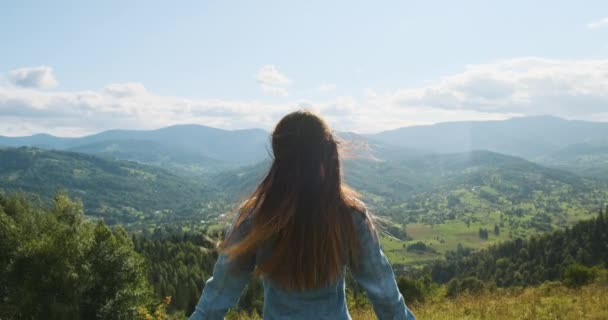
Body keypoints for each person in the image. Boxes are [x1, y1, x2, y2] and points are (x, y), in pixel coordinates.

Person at [189, 110, 416, 320]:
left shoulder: (255, 217)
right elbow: (385, 294)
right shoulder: (350, 215)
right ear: (326, 153)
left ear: (278, 154)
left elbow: (219, 294)